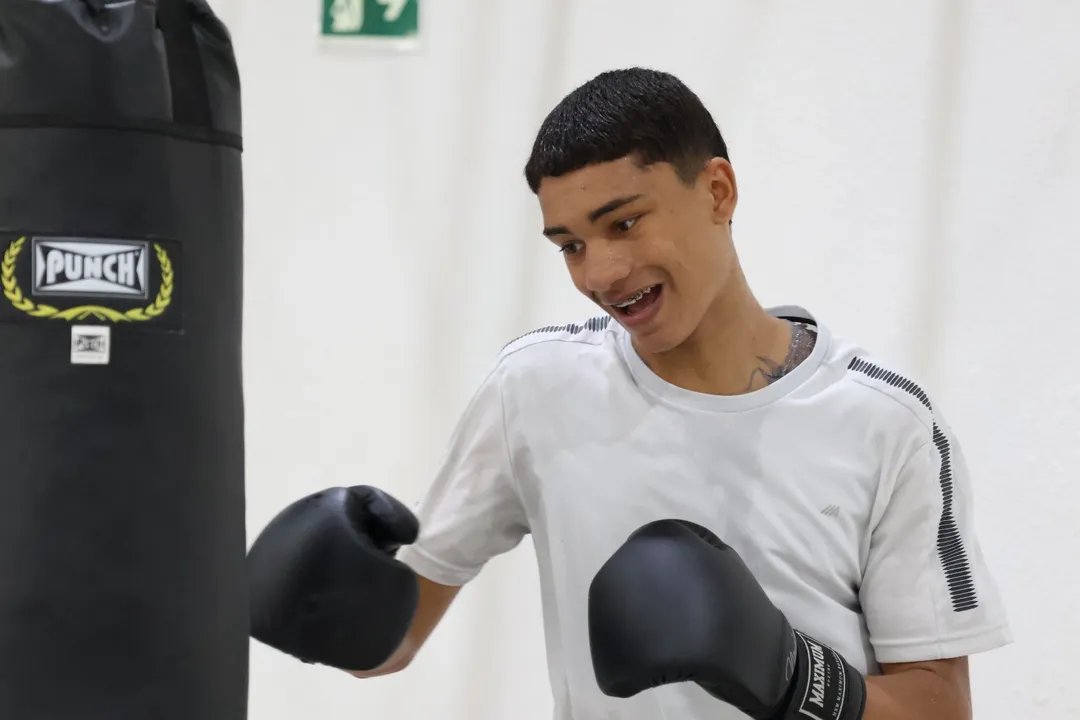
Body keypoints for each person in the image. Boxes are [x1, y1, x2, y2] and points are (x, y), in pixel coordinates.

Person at [247, 68, 1012, 720]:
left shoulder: (886, 423)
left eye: (625, 222)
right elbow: (395, 639)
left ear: (718, 190)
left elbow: (938, 705)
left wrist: (789, 675)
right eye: (571, 244)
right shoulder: (536, 389)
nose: (599, 274)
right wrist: (335, 611)